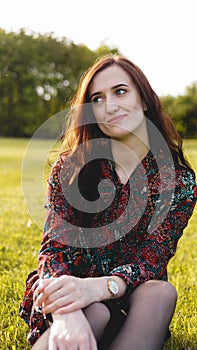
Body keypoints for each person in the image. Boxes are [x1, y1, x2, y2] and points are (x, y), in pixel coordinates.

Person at [19, 54, 197, 350]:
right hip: (71, 293)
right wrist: (68, 312)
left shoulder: (177, 182)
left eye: (120, 91)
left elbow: (151, 261)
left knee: (161, 292)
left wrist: (99, 288)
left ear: (144, 100)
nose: (109, 106)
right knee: (95, 312)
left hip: (131, 297)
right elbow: (54, 252)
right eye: (97, 99)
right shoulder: (71, 169)